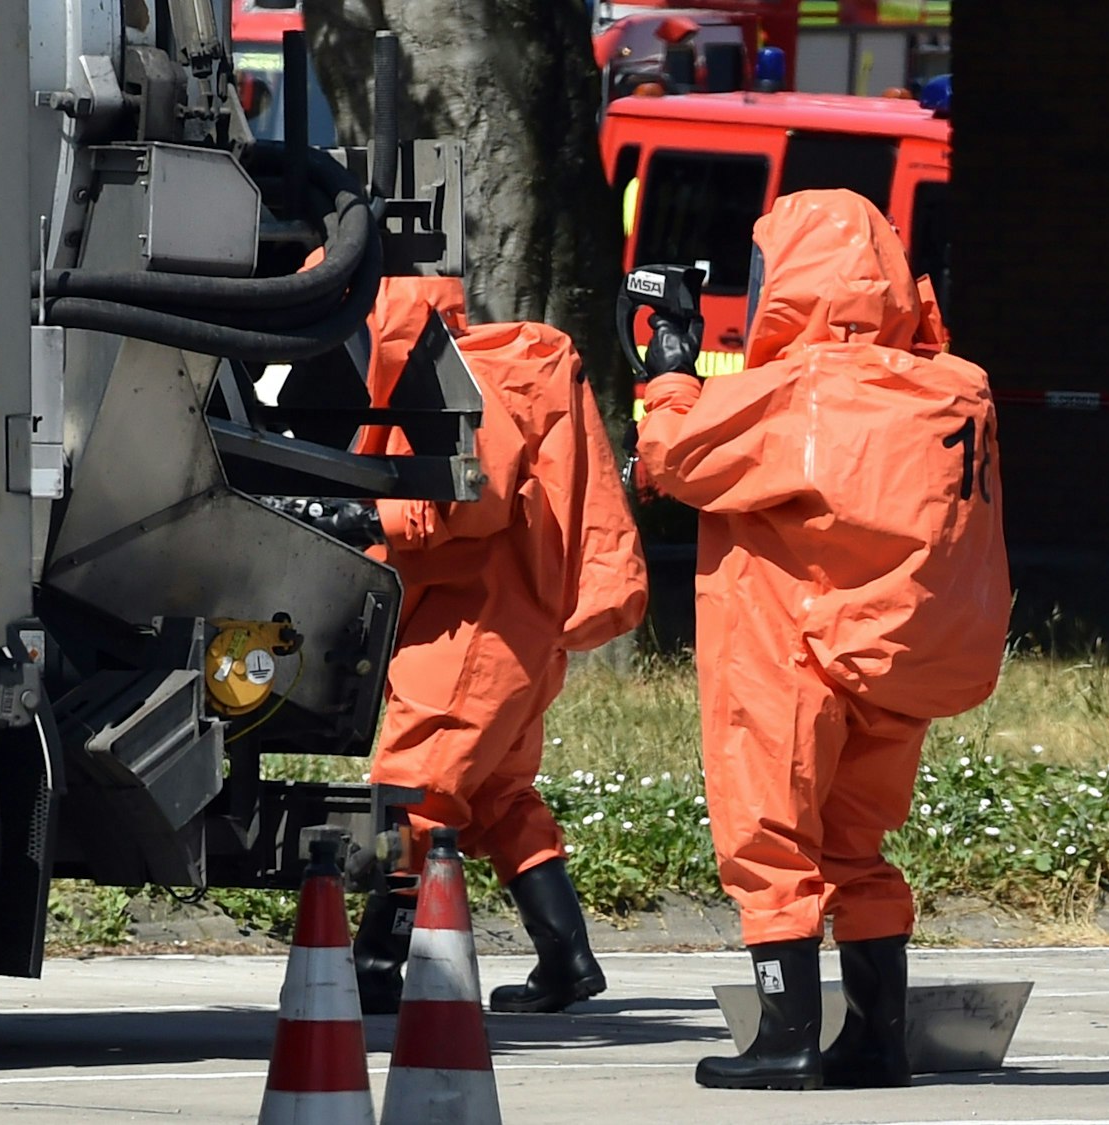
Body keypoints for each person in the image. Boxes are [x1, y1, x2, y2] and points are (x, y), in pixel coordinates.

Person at [636, 189, 1009, 1090]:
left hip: (791, 647)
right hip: (895, 656)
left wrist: (669, 370)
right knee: (855, 849)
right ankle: (876, 1041)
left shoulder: (801, 393)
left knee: (769, 839)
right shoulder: (956, 389)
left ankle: (784, 1039)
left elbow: (672, 458)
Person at [343, 276, 650, 1015]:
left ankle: (377, 965)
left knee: (410, 789)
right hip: (517, 627)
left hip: (472, 631)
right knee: (498, 796)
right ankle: (566, 957)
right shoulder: (493, 368)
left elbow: (467, 492)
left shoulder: (455, 380)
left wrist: (367, 516)